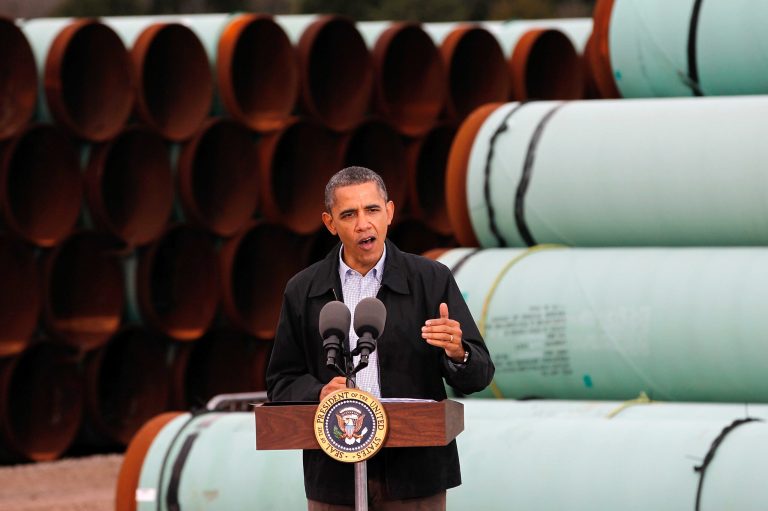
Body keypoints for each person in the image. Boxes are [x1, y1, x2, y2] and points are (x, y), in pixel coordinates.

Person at [266, 166, 495, 510]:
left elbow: (480, 374)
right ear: (330, 223)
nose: (363, 224)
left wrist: (458, 352)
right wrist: (319, 392)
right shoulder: (304, 290)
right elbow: (281, 381)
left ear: (389, 212)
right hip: (334, 479)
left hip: (414, 478)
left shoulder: (430, 280)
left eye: (372, 210)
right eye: (349, 214)